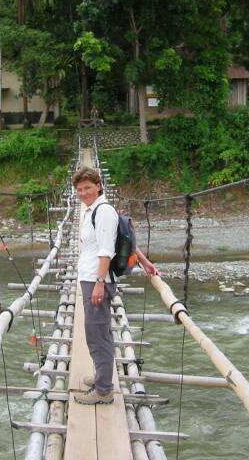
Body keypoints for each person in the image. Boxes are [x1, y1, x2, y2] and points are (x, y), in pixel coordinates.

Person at [72, 167, 159, 405]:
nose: (83, 193)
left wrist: (99, 283)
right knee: (99, 333)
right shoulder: (94, 210)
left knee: (97, 336)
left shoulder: (103, 212)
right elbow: (120, 237)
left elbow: (106, 250)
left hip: (97, 280)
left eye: (87, 187)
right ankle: (102, 378)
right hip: (91, 278)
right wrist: (144, 261)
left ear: (99, 185)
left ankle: (103, 390)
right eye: (79, 190)